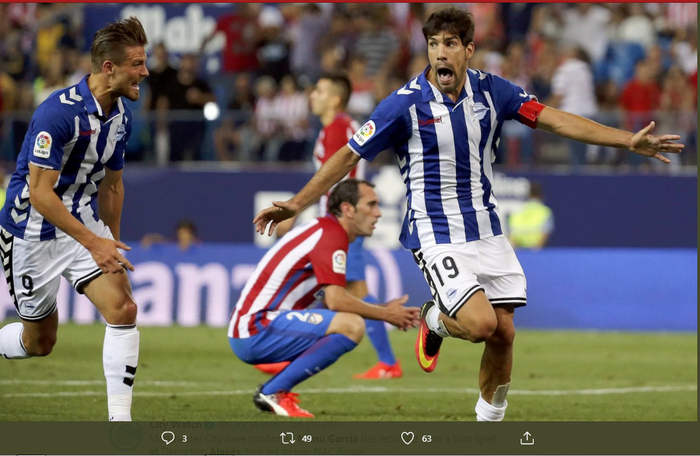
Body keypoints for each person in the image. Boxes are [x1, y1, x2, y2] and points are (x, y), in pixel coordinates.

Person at [253, 7, 683, 421]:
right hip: (435, 232)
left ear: (469, 50)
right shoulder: (402, 105)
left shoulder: (494, 91)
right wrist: (297, 202)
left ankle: (488, 424)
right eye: (434, 44)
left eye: (451, 44)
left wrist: (628, 141)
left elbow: (555, 121)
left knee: (505, 333)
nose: (441, 53)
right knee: (480, 324)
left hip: (487, 229)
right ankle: (435, 318)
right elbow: (348, 157)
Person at [0, 17, 149, 422]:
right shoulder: (57, 114)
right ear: (108, 68)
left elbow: (112, 188)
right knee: (39, 342)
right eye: (137, 64)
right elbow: (40, 194)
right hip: (30, 232)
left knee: (123, 309)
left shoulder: (121, 117)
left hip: (83, 223)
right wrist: (95, 242)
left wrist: (110, 244)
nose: (145, 72)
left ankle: (120, 423)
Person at [231, 179, 419, 417]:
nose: (378, 213)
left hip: (257, 328)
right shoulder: (331, 236)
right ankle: (274, 391)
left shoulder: (326, 231)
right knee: (351, 326)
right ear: (348, 209)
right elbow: (336, 302)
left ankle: (278, 381)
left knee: (347, 319)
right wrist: (385, 314)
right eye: (371, 205)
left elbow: (331, 302)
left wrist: (383, 308)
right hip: (257, 328)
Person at [272, 73, 402, 380]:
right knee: (329, 292)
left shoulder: (338, 128)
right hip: (338, 221)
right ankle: (292, 354)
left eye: (318, 90)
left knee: (352, 291)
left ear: (334, 98)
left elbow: (333, 178)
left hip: (341, 223)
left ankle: (387, 363)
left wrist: (297, 210)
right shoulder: (338, 127)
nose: (311, 95)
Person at [508, 182, 554, 249]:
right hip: (535, 251)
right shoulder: (545, 211)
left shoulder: (517, 210)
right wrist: (536, 250)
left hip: (518, 250)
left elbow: (510, 232)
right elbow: (545, 234)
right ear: (541, 195)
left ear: (528, 195)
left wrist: (517, 249)